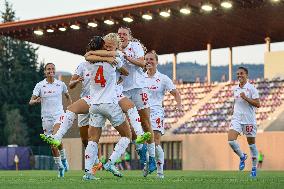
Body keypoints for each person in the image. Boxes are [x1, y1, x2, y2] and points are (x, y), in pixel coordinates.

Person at [83, 33, 132, 180]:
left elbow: (88, 55)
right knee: (127, 135)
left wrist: (94, 53)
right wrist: (110, 58)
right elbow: (126, 72)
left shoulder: (89, 62)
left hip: (95, 104)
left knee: (92, 140)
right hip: (109, 103)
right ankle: (111, 162)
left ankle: (88, 173)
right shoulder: (115, 58)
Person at [118, 26, 156, 172]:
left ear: (129, 36)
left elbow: (142, 63)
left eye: (124, 34)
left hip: (139, 88)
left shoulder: (135, 46)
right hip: (124, 91)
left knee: (146, 123)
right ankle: (141, 148)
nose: (121, 36)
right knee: (129, 125)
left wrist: (126, 57)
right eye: (119, 34)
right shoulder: (115, 49)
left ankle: (152, 158)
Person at [29, 63, 72, 178]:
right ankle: (60, 166)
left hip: (59, 115)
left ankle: (64, 160)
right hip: (46, 117)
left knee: (55, 138)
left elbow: (67, 96)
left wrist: (71, 109)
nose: (51, 71)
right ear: (45, 72)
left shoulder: (61, 84)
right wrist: (36, 101)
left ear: (55, 71)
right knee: (53, 145)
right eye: (48, 69)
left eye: (53, 69)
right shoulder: (40, 85)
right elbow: (30, 101)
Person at [144, 50, 182, 178]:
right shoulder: (140, 77)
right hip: (142, 113)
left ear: (156, 62)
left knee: (155, 141)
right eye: (147, 59)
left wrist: (179, 105)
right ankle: (148, 163)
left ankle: (160, 173)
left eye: (151, 59)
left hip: (156, 113)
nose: (149, 61)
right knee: (145, 143)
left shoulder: (163, 78)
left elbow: (175, 93)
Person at [227, 66, 260, 178]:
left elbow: (258, 104)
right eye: (238, 74)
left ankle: (254, 169)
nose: (239, 75)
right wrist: (232, 110)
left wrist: (246, 98)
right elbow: (236, 103)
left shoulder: (251, 88)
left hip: (249, 121)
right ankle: (242, 156)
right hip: (236, 119)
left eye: (241, 73)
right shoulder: (235, 89)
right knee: (231, 141)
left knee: (252, 146)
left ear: (246, 75)